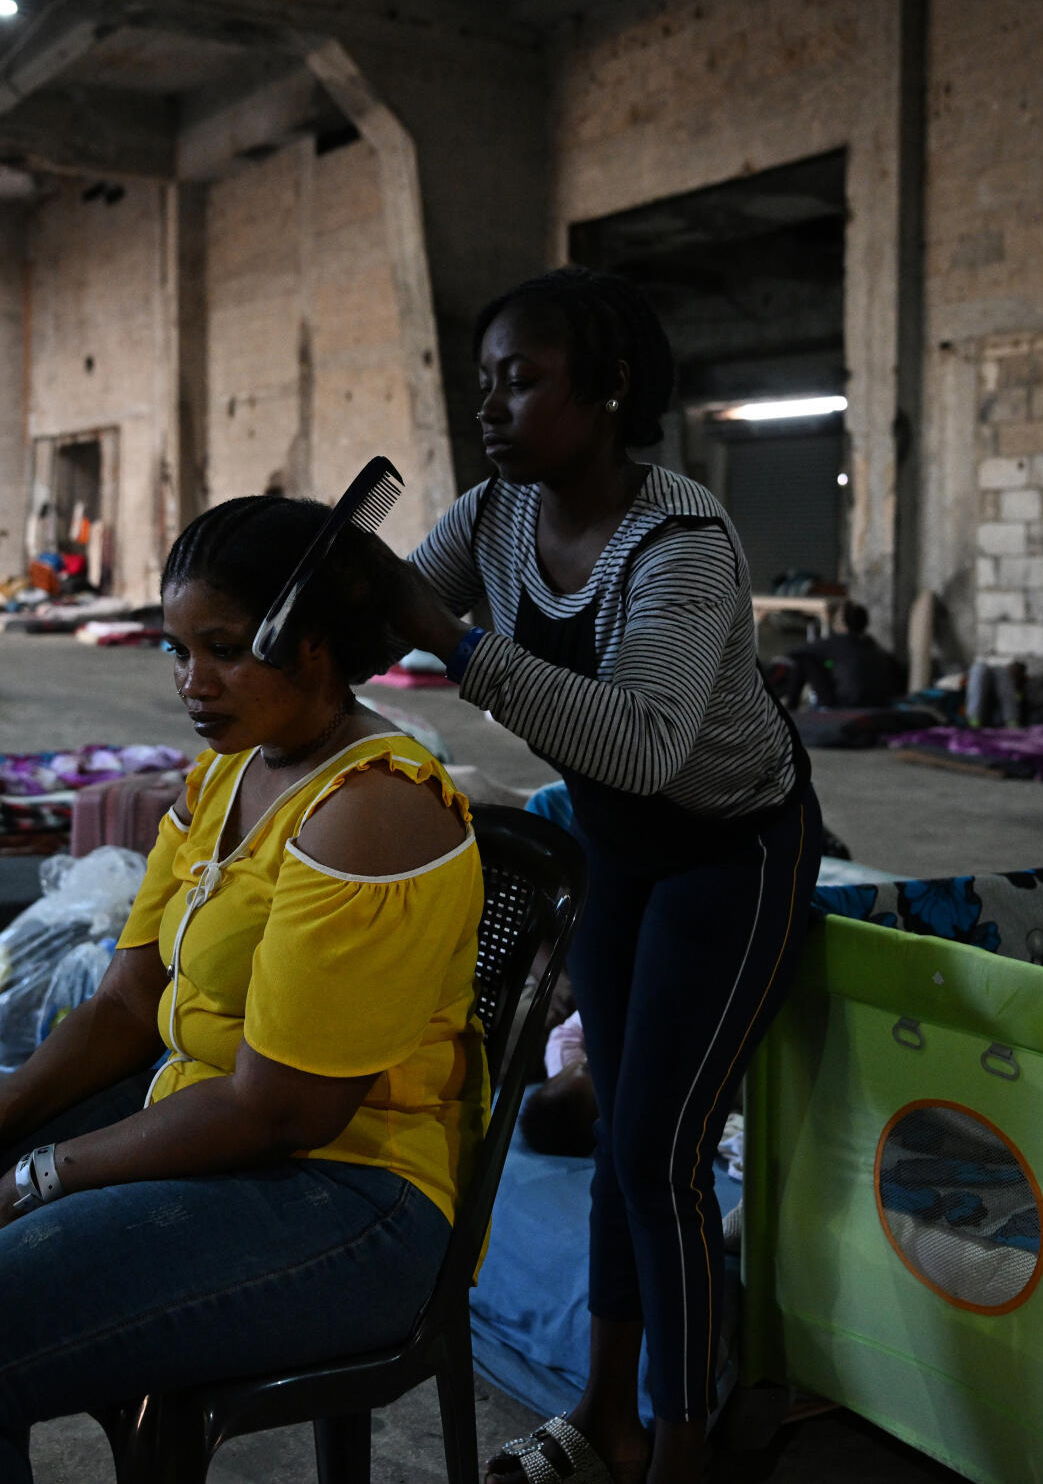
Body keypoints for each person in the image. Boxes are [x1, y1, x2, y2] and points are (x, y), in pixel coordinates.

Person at [0, 495, 487, 1484]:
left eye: (225, 649)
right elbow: (127, 1003)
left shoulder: (368, 812)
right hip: (209, 1114)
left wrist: (43, 1176)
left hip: (345, 1194)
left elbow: (282, 1107)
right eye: (176, 651)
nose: (190, 683)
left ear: (318, 645)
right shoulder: (221, 778)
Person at [384, 266, 818, 1484]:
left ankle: (676, 1443)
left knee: (657, 1155)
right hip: (622, 850)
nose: (491, 408)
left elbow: (640, 742)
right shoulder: (496, 515)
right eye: (483, 385)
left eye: (520, 382)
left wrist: (456, 645)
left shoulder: (678, 542)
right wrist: (303, 590)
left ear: (609, 390)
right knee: (620, 1138)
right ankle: (604, 1414)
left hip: (730, 848)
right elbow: (394, 614)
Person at [782, 600, 905, 710]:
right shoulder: (872, 645)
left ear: (842, 624)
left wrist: (825, 661)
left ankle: (790, 709)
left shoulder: (836, 642)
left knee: (805, 660)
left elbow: (795, 652)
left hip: (843, 703)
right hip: (880, 702)